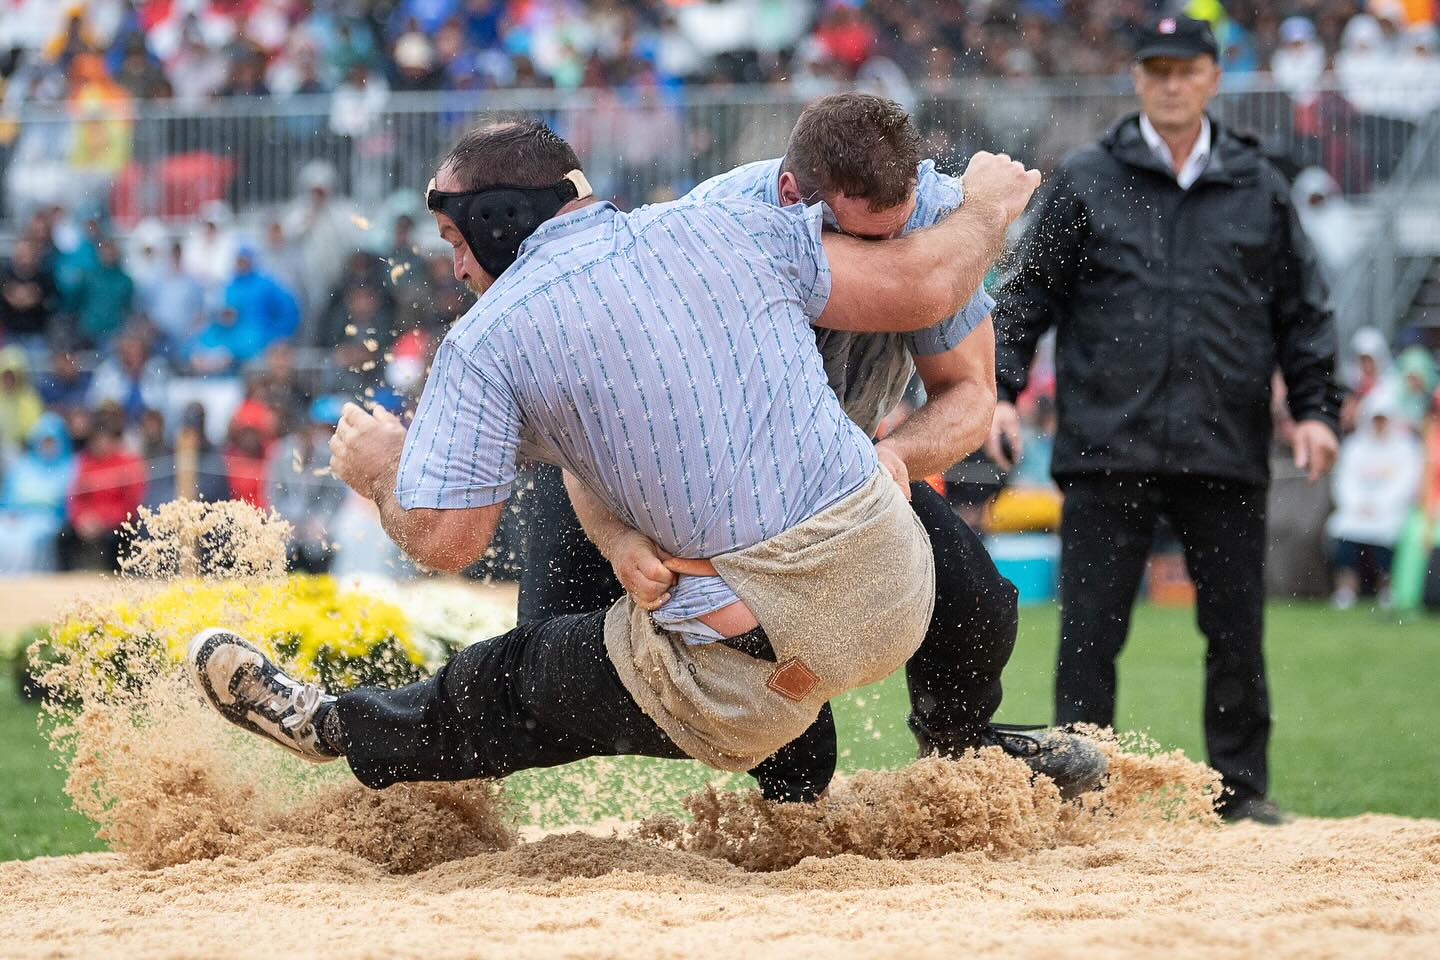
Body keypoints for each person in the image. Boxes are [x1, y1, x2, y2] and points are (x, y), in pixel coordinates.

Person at [188, 119, 1103, 803]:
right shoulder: (723, 227)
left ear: (495, 226)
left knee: (530, 679)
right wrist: (990, 210)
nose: (455, 269)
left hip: (801, 555)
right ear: (797, 202)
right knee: (677, 661)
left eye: (456, 244)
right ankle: (797, 795)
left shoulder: (491, 334)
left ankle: (330, 726)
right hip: (876, 569)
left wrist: (383, 469)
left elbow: (447, 541)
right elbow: (925, 279)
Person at [516, 92, 1063, 790]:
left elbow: (970, 394)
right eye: (861, 245)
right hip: (672, 474)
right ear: (788, 197)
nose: (886, 265)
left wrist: (892, 457)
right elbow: (604, 408)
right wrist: (621, 537)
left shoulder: (933, 223)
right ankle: (416, 766)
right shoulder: (713, 227)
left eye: (894, 241)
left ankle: (958, 764)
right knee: (542, 683)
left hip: (837, 473)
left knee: (977, 606)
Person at [988, 17, 1342, 825]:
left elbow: (1303, 311)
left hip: (1225, 445)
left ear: (1214, 77)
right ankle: (1082, 796)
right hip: (1106, 445)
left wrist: (1316, 409)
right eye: (1158, 70)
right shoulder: (1088, 178)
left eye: (1187, 69)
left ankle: (1241, 792)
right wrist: (1002, 392)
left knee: (1236, 634)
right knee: (1089, 637)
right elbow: (1027, 295)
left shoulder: (1259, 185)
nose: (1173, 83)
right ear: (1138, 79)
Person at [1327, 392, 1423, 609]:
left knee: (1387, 538)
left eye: (1383, 420)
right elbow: (1344, 481)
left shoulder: (1405, 447)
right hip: (1355, 510)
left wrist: (1380, 504)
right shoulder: (1355, 446)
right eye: (1376, 419)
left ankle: (1386, 587)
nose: (1379, 425)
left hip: (1390, 511)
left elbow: (1406, 482)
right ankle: (1346, 588)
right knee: (1342, 531)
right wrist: (1358, 504)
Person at [266, 396, 349, 573]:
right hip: (287, 524)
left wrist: (320, 520)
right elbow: (273, 495)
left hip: (318, 524)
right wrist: (286, 520)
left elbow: (334, 496)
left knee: (322, 545)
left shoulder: (327, 456)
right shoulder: (281, 454)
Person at [0, 412, 75, 573]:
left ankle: (22, 580)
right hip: (15, 517)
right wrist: (10, 513)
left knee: (25, 540)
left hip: (47, 519)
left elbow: (67, 504)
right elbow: (7, 497)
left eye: (52, 442)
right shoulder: (22, 465)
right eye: (44, 441)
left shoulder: (70, 467)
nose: (48, 446)